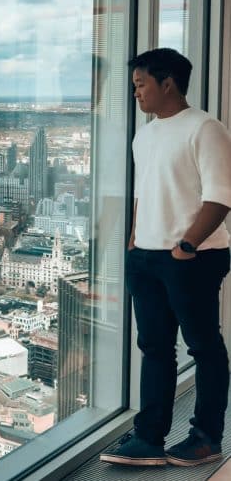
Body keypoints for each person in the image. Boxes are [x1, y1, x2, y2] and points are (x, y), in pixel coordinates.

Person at [100, 48, 231, 467]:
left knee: (204, 348)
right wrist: (136, 239)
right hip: (147, 257)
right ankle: (148, 439)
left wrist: (186, 246)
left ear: (167, 83)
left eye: (141, 84)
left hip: (193, 258)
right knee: (154, 348)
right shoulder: (147, 134)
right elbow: (147, 191)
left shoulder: (205, 128)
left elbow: (221, 196)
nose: (136, 93)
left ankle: (206, 438)